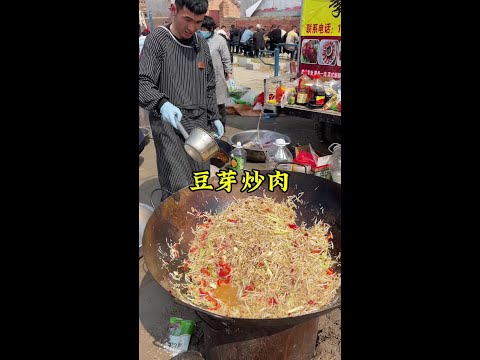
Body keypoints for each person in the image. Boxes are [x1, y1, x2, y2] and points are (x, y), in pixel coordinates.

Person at [139, 0, 223, 202]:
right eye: (187, 19)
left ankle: (198, 225)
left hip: (199, 123)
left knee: (200, 177)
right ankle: (174, 225)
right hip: (169, 123)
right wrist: (161, 103)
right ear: (173, 10)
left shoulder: (200, 43)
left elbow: (209, 84)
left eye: (198, 22)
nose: (192, 28)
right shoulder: (157, 40)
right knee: (177, 183)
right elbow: (142, 81)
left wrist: (215, 116)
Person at [198, 16, 234, 128]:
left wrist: (230, 74)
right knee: (204, 102)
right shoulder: (196, 38)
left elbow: (226, 58)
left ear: (211, 28)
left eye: (205, 29)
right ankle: (207, 126)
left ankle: (221, 126)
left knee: (218, 102)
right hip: (201, 76)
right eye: (201, 29)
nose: (202, 32)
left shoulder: (220, 40)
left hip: (217, 76)